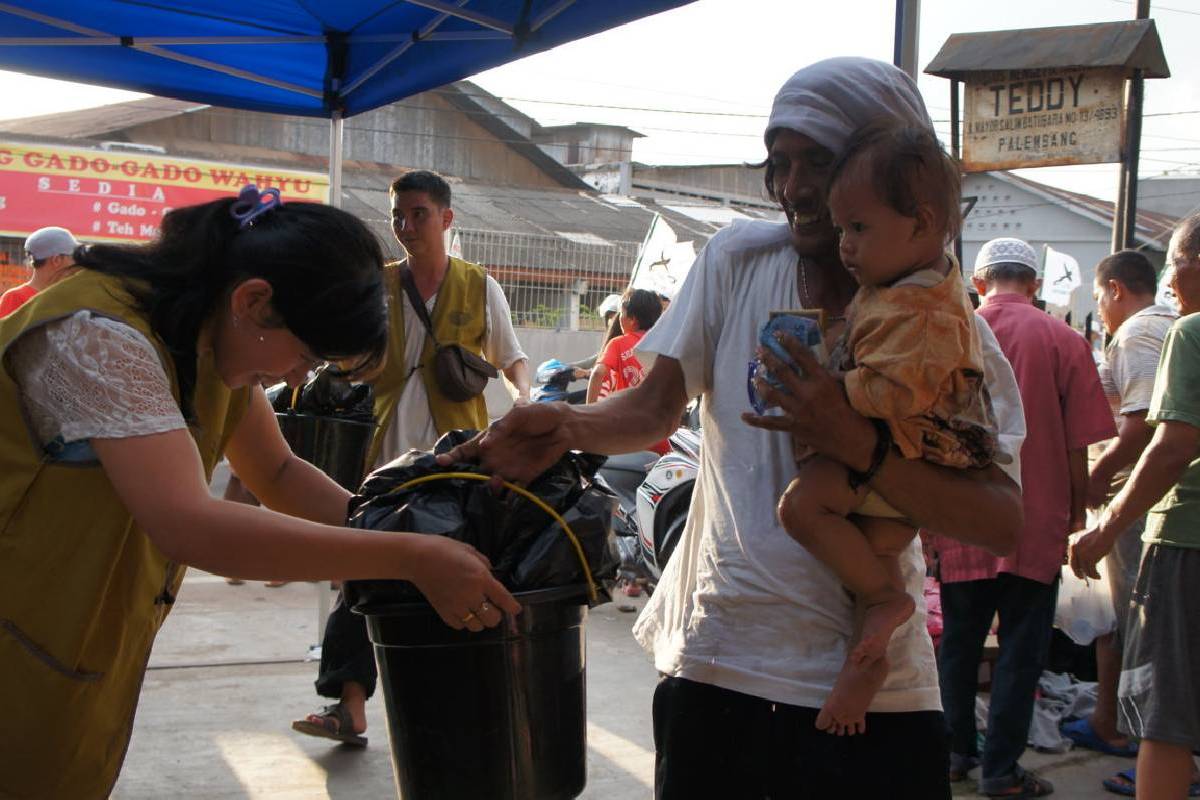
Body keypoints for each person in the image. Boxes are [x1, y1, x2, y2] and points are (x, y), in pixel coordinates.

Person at [438, 57, 1025, 799]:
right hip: (721, 662)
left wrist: (853, 441)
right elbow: (653, 410)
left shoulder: (950, 336)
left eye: (821, 159)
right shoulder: (738, 261)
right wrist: (565, 422)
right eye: (779, 163)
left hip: (874, 692)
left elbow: (1001, 523)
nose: (795, 187)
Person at [0, 189, 520, 799]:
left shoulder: (209, 335)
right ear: (254, 300)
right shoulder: (96, 338)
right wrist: (407, 557)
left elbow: (276, 472)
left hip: (68, 634)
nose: (298, 377)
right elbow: (191, 526)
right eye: (304, 355)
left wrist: (402, 524)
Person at [776, 122, 999, 736]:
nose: (845, 244)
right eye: (843, 228)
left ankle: (885, 602)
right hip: (906, 458)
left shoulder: (922, 310)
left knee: (800, 510)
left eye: (859, 228)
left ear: (923, 224)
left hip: (900, 446)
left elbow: (895, 391)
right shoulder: (907, 282)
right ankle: (863, 667)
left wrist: (825, 393)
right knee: (865, 575)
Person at [292, 169, 530, 746]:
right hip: (383, 462)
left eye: (418, 214)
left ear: (447, 219)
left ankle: (466, 709)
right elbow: (348, 352)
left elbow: (511, 358)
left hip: (458, 464)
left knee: (463, 577)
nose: (405, 226)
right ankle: (349, 706)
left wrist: (526, 398)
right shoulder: (376, 284)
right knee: (362, 578)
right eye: (397, 215)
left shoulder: (481, 286)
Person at [934, 237, 1114, 798]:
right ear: (1035, 286)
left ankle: (954, 753)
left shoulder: (953, 336)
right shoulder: (1064, 340)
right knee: (1020, 649)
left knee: (959, 644)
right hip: (1035, 519)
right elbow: (1078, 443)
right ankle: (1002, 771)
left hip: (962, 515)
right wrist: (1077, 512)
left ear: (981, 282)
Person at [1071, 212, 1200, 800]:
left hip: (1183, 537)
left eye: (1177, 261)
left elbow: (1164, 441)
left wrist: (1103, 517)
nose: (1171, 279)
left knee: (1165, 710)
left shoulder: (1182, 333)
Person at [1059, 251, 1175, 773]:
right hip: (1147, 501)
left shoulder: (1137, 332)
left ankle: (1154, 746)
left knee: (1139, 623)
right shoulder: (1173, 323)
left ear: (1115, 290)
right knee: (1120, 623)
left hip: (1138, 504)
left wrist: (1095, 482)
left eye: (1101, 297)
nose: (1101, 309)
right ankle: (1115, 722)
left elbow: (1144, 425)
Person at [0, 226, 79, 316]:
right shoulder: (15, 298)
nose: (75, 263)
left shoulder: (65, 298)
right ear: (57, 260)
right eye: (73, 257)